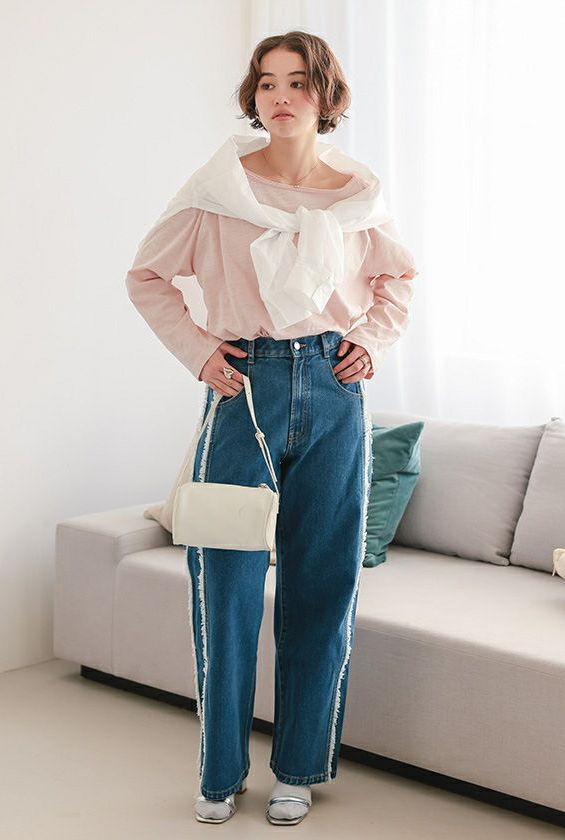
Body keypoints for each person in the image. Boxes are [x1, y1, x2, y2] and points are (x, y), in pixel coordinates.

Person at [125, 30, 418, 827]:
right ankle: (220, 773)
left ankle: (298, 768)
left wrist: (371, 340)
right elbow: (147, 276)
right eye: (266, 82)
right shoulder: (217, 190)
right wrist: (199, 351)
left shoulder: (359, 195)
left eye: (297, 82)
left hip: (334, 389)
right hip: (242, 389)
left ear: (326, 97)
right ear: (253, 97)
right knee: (223, 583)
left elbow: (397, 278)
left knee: (322, 582)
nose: (280, 96)